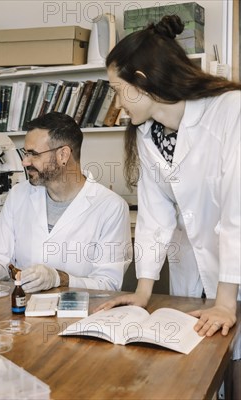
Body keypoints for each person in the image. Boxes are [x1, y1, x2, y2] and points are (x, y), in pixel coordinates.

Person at [99, 15, 240, 398]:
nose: (115, 102)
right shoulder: (150, 133)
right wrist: (143, 291)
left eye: (116, 89)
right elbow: (154, 214)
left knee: (236, 369)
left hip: (234, 276)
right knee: (200, 373)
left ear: (142, 81)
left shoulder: (230, 111)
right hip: (190, 274)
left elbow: (236, 213)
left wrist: (226, 304)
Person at [0, 112, 132, 292]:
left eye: (33, 154)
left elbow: (109, 284)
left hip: (79, 313)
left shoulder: (111, 207)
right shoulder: (18, 195)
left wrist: (59, 278)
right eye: (25, 153)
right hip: (22, 309)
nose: (25, 162)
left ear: (63, 155)